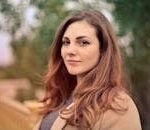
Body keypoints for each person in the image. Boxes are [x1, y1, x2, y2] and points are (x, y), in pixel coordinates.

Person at [34, 9, 142, 130]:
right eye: (66, 42)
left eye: (83, 43)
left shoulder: (119, 106)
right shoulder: (61, 96)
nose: (70, 50)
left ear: (103, 50)